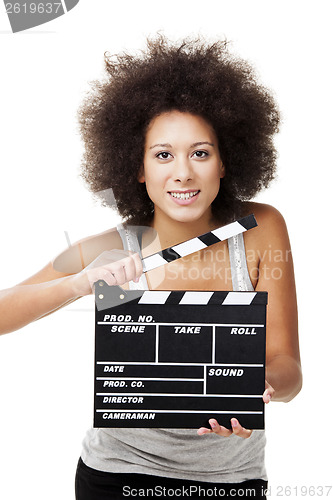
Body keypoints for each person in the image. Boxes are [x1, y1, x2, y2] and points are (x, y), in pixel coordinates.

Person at [0, 36, 302, 499]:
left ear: (225, 162)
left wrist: (260, 389)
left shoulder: (259, 229)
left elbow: (289, 368)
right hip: (118, 473)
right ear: (137, 168)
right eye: (163, 155)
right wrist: (79, 284)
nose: (182, 172)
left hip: (232, 481)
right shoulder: (109, 248)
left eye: (200, 153)